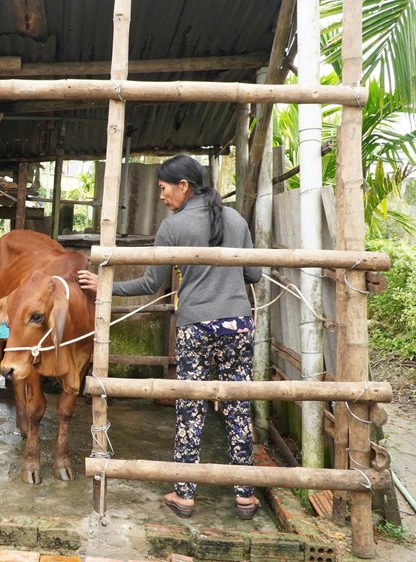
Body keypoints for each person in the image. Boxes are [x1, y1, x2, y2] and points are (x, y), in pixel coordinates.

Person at [78, 154, 261, 520]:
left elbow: (151, 283)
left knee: (190, 407)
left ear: (183, 186)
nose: (161, 196)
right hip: (238, 324)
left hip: (195, 326)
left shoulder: (173, 226)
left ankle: (185, 494)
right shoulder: (237, 219)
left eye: (163, 188)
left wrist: (106, 286)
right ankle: (245, 496)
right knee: (238, 404)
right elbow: (254, 274)